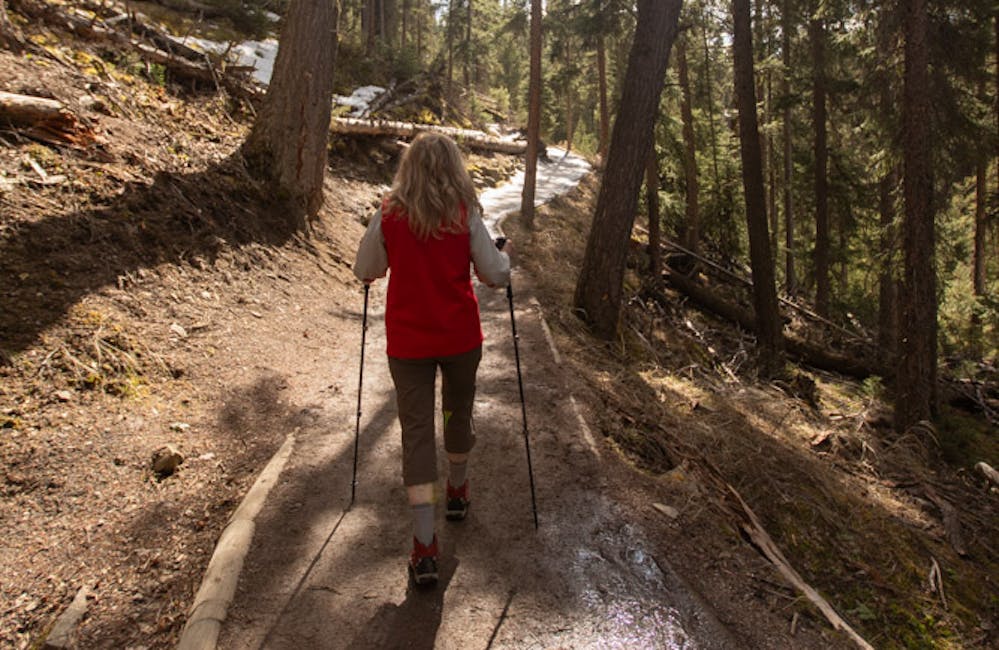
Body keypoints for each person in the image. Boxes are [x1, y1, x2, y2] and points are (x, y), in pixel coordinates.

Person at [352, 132, 511, 586]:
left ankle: (424, 546)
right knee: (457, 413)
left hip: (409, 346)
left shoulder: (389, 213)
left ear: (410, 167)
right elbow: (494, 274)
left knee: (417, 436)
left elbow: (366, 270)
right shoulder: (465, 213)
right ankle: (457, 489)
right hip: (460, 339)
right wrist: (506, 259)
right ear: (455, 167)